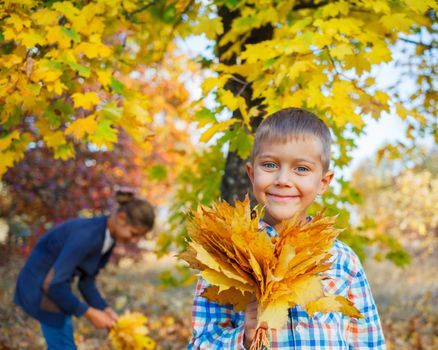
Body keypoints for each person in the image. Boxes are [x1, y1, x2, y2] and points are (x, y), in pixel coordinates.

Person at [189, 108, 386, 349]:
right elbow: (200, 343)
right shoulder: (226, 257)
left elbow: (368, 341)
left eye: (301, 168)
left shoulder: (342, 260)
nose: (283, 179)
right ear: (252, 173)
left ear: (323, 182)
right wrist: (244, 337)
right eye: (270, 165)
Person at [14, 196, 155, 350]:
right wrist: (89, 313)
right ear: (121, 218)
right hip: (39, 286)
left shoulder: (108, 237)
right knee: (63, 345)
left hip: (54, 284)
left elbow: (86, 280)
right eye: (133, 233)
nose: (134, 240)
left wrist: (104, 309)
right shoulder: (88, 235)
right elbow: (53, 284)